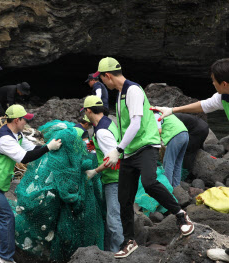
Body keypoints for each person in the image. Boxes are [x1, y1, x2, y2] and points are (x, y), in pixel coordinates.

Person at [93, 57, 195, 258]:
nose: (101, 83)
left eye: (101, 78)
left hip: (146, 146)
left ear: (107, 76)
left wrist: (118, 150)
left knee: (149, 183)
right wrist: (121, 149)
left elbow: (136, 123)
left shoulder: (133, 90)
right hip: (130, 152)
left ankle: (181, 215)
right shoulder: (120, 94)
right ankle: (129, 241)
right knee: (124, 199)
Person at [0, 104, 62, 263]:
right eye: (24, 120)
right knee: (7, 218)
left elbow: (33, 149)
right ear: (16, 120)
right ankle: (4, 258)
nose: (26, 124)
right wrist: (48, 147)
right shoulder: (5, 139)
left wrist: (49, 148)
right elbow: (24, 158)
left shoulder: (17, 135)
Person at [83, 95, 124, 253]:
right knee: (113, 216)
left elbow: (114, 159)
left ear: (88, 110)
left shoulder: (102, 132)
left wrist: (94, 171)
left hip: (115, 180)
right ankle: (112, 250)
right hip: (117, 178)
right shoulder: (107, 123)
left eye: (85, 111)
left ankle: (120, 253)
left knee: (113, 220)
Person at [152, 58, 229, 122]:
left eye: (214, 80)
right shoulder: (223, 97)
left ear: (224, 84)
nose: (213, 83)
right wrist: (171, 110)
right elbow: (204, 105)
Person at [153, 111, 189, 187]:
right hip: (185, 134)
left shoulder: (156, 115)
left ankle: (167, 188)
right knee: (178, 163)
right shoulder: (165, 113)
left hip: (176, 136)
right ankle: (176, 187)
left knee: (168, 162)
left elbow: (159, 131)